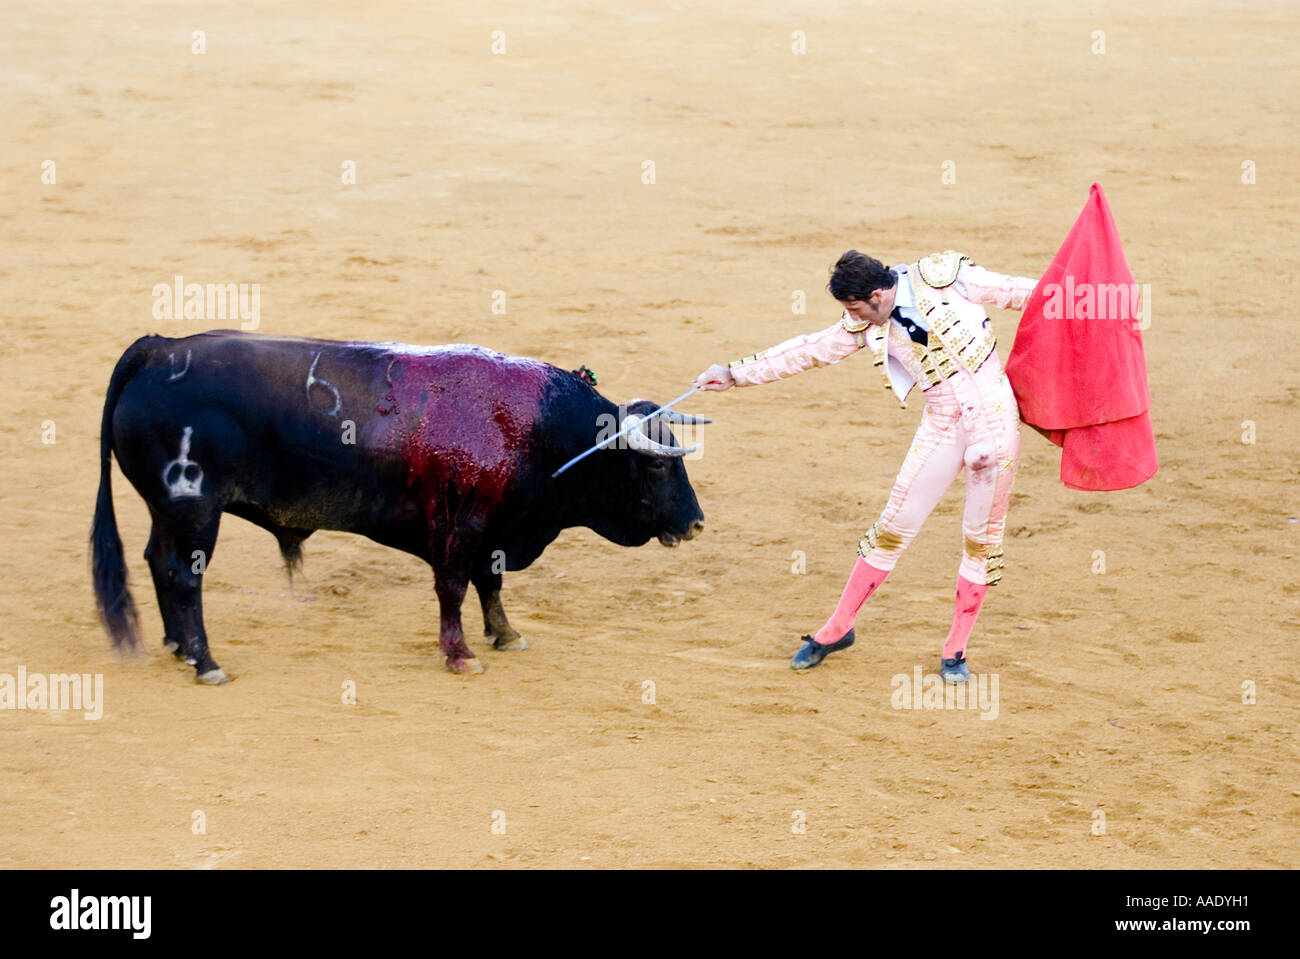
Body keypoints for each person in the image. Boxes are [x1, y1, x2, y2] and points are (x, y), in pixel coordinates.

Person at [694, 250, 1038, 681]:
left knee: (980, 540)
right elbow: (811, 350)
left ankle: (956, 649)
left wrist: (1093, 300)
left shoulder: (947, 279)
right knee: (893, 525)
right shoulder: (865, 321)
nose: (851, 317)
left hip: (994, 421)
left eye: (855, 307)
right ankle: (837, 628)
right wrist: (735, 373)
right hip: (942, 422)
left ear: (877, 294)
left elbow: (1025, 293)